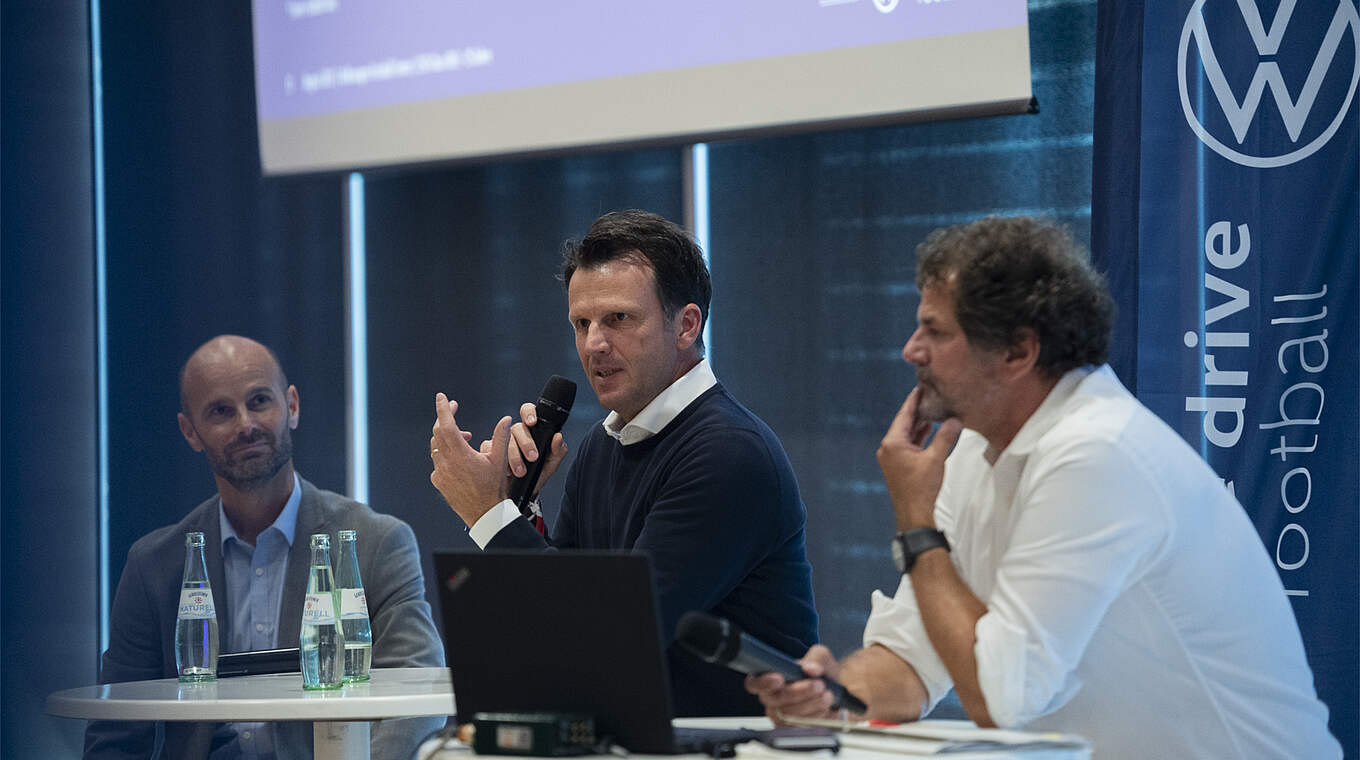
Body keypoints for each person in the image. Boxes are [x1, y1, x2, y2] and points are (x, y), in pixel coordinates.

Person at [745, 217, 1340, 758]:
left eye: (935, 331)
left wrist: (918, 525)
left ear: (1018, 351)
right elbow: (912, 659)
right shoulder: (974, 446)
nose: (911, 350)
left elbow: (999, 697)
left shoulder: (1096, 452)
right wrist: (830, 694)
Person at [428, 209, 818, 716]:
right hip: (630, 738)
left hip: (730, 745)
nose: (594, 344)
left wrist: (488, 515)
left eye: (619, 319)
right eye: (581, 323)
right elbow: (559, 614)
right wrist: (514, 504)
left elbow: (609, 637)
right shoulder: (602, 444)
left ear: (686, 325)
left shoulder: (728, 452)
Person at [85, 335, 445, 760]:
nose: (245, 425)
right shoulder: (155, 566)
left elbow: (415, 699)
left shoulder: (375, 542)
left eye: (259, 401)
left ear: (291, 406)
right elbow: (116, 734)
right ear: (190, 431)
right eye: (221, 411)